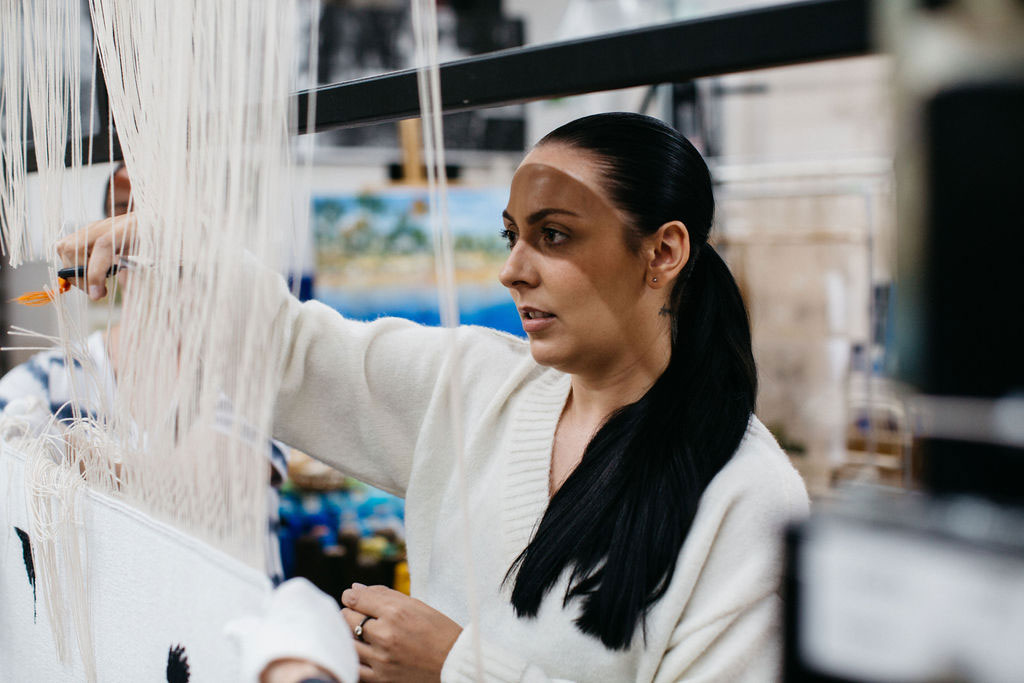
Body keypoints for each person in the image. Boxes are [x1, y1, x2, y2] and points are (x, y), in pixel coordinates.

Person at [58, 113, 809, 682]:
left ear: (664, 252)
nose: (513, 270)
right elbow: (290, 355)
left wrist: (456, 666)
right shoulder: (473, 387)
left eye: (554, 236)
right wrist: (178, 250)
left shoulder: (748, 498)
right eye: (512, 235)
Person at [2, 163, 288, 583]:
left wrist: (67, 455)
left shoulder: (248, 370)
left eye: (167, 220)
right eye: (126, 214)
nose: (141, 233)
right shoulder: (46, 382)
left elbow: (208, 490)